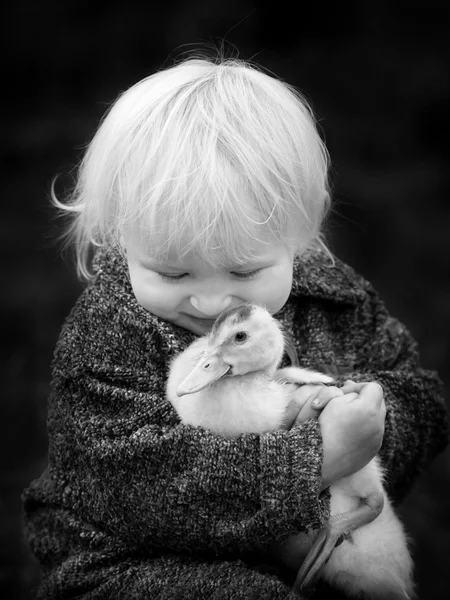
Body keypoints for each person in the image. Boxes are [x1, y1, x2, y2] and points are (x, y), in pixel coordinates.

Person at [23, 51, 448, 600]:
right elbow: (139, 488)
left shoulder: (335, 297)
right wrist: (319, 457)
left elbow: (422, 398)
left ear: (302, 232)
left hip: (317, 546)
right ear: (118, 235)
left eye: (245, 270)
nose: (208, 300)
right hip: (136, 563)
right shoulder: (109, 333)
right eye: (172, 271)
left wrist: (370, 423)